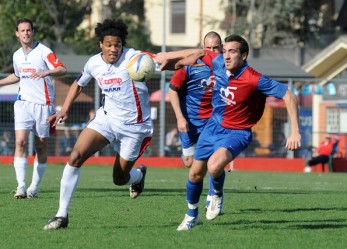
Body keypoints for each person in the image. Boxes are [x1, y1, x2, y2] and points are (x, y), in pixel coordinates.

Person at [175, 34, 301, 231]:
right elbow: (200, 53)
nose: (226, 56)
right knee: (194, 174)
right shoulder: (218, 63)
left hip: (237, 132)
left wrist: (295, 132)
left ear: (244, 55)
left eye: (232, 52)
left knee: (214, 166)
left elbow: (289, 95)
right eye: (224, 51)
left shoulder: (254, 79)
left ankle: (216, 191)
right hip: (212, 127)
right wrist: (167, 57)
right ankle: (192, 215)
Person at [43, 19, 154, 230]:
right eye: (109, 44)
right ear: (100, 45)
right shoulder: (94, 63)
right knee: (75, 156)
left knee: (119, 179)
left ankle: (137, 176)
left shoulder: (134, 57)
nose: (114, 49)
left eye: (118, 44)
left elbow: (166, 59)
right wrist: (64, 108)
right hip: (107, 119)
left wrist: (197, 53)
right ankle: (61, 215)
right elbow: (79, 83)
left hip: (134, 128)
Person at [0, 18, 67, 199]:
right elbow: (17, 75)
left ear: (33, 32)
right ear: (17, 33)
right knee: (20, 142)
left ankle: (34, 187)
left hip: (44, 105)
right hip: (23, 103)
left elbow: (62, 69)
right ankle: (21, 186)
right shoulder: (16, 55)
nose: (26, 33)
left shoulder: (44, 51)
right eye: (22, 31)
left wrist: (46, 72)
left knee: (41, 145)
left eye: (28, 30)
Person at [169, 31, 225, 217]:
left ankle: (214, 194)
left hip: (212, 123)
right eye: (208, 47)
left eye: (215, 47)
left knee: (212, 163)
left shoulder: (226, 67)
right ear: (202, 48)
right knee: (189, 162)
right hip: (189, 121)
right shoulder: (190, 64)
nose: (211, 51)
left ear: (221, 48)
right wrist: (179, 117)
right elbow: (173, 90)